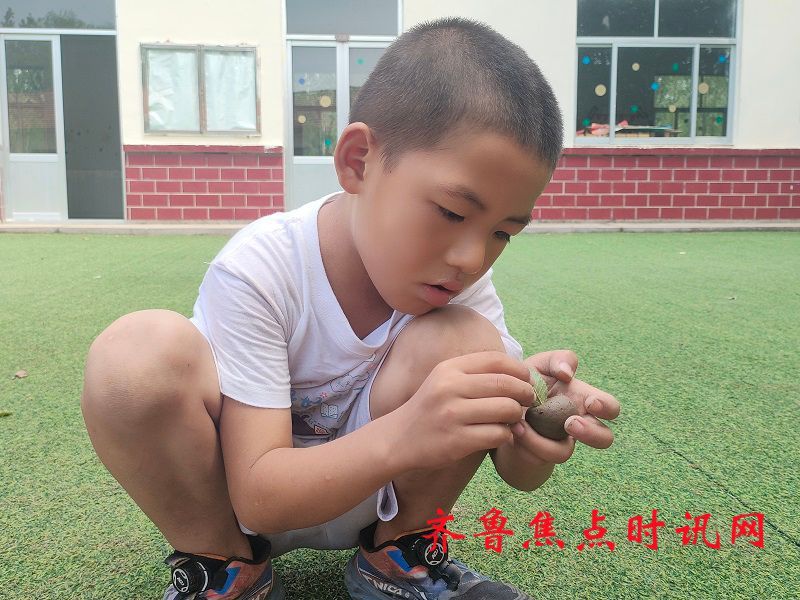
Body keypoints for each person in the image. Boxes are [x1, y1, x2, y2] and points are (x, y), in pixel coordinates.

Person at [81, 17, 620, 600]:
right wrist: (410, 430)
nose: (471, 258)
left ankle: (400, 558)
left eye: (503, 233)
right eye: (451, 212)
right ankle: (224, 572)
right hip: (236, 501)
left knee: (472, 348)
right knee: (133, 357)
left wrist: (535, 428)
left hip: (379, 498)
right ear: (359, 160)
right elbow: (260, 499)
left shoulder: (460, 287)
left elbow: (518, 473)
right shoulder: (262, 268)